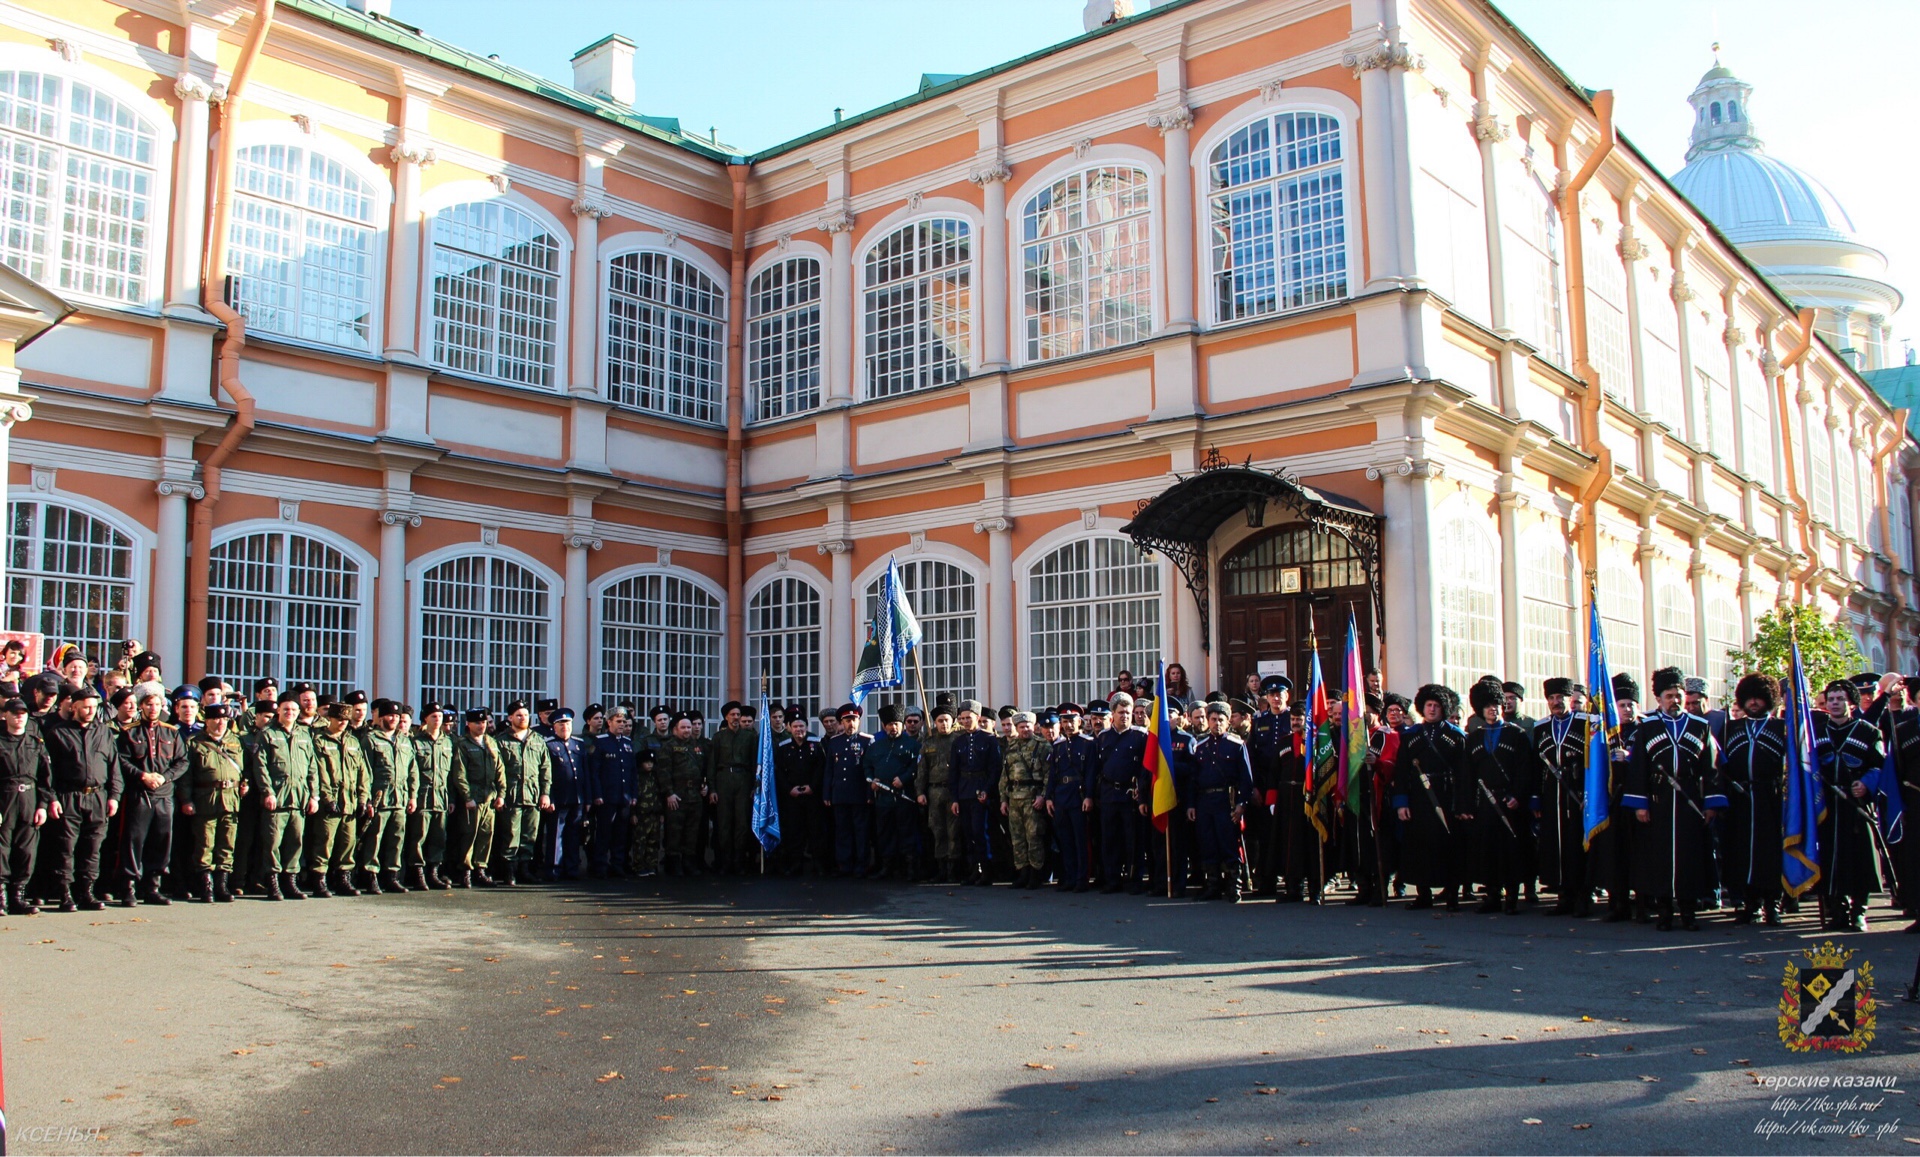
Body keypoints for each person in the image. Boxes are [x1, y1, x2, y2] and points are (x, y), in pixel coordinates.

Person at [1621, 667, 1724, 931]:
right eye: (1669, 696)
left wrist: (1711, 803)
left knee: (1689, 857)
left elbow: (1711, 768)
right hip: (1659, 802)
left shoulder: (1700, 727)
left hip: (1690, 802)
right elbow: (1638, 768)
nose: (1674, 700)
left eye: (1678, 695)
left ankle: (1689, 912)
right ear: (1659, 699)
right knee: (1660, 858)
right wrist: (1640, 804)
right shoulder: (1648, 727)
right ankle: (1665, 912)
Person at [1812, 678, 1886, 931]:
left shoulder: (1869, 732)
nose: (1834, 703)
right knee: (1832, 859)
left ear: (1851, 703)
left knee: (1860, 859)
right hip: (1827, 806)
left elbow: (1879, 765)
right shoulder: (1817, 732)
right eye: (1830, 699)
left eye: (1839, 699)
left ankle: (1859, 912)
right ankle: (1838, 911)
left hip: (1855, 805)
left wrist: (1866, 783)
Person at [42, 684, 122, 911]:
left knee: (92, 847)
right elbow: (48, 772)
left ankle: (86, 891)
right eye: (85, 707)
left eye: (94, 707)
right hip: (69, 796)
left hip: (97, 796)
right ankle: (65, 893)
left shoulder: (104, 732)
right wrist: (52, 798)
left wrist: (114, 795)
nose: (90, 711)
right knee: (66, 847)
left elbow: (114, 767)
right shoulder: (58, 733)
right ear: (74, 707)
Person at [1719, 674, 1786, 926]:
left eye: (1759, 697)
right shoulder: (1731, 729)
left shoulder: (1781, 728)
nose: (1754, 702)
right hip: (1740, 799)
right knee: (1741, 851)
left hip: (1770, 797)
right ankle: (1750, 904)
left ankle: (1772, 904)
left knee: (1769, 853)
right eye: (1749, 698)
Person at [1462, 679, 1533, 914]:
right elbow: (1468, 774)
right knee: (1488, 849)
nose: (1492, 710)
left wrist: (1518, 796)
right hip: (1485, 804)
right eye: (1487, 706)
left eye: (1496, 705)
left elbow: (1525, 769)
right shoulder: (1474, 738)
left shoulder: (1517, 735)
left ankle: (1512, 895)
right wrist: (1468, 804)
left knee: (1511, 849)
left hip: (1509, 802)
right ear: (1480, 709)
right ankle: (1492, 895)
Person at [1394, 684, 1464, 911]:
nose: (1432, 709)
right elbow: (1401, 772)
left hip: (1446, 795)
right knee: (1420, 846)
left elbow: (1465, 774)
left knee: (1449, 846)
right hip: (1419, 799)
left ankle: (1452, 894)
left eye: (1437, 706)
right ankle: (1423, 894)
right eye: (1429, 705)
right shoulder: (1410, 736)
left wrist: (1462, 804)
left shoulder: (1456, 736)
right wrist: (1401, 802)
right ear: (1422, 708)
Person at [116, 683, 185, 906]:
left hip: (164, 793)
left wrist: (165, 777)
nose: (153, 708)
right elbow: (121, 760)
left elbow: (182, 761)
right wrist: (142, 776)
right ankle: (129, 887)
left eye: (157, 704)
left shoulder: (171, 732)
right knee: (133, 840)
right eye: (148, 704)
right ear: (141, 706)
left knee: (162, 840)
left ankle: (153, 887)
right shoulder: (129, 731)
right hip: (139, 792)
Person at [1532, 678, 1594, 916]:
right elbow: (1536, 766)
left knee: (1578, 845)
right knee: (1556, 846)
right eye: (1551, 698)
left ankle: (1583, 895)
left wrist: (1590, 795)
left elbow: (1595, 765)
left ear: (1570, 699)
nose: (1556, 702)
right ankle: (1564, 895)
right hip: (1552, 795)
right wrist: (1536, 797)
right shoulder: (1541, 727)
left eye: (1560, 698)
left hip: (1577, 793)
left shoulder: (1587, 723)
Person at [1184, 700, 1254, 902]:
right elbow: (1192, 779)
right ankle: (1212, 885)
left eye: (1220, 719)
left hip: (1226, 801)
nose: (1216, 723)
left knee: (1228, 844)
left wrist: (1241, 804)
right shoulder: (1200, 746)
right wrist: (1190, 804)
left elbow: (1246, 779)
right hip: (1205, 801)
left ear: (1227, 721)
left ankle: (1234, 887)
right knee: (1208, 844)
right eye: (1213, 719)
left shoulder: (1236, 745)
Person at [249, 692, 316, 901]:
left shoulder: (304, 735)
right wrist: (267, 792)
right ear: (278, 710)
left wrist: (314, 795)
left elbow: (312, 767)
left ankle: (290, 882)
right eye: (286, 709)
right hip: (277, 798)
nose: (290, 713)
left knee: (295, 841)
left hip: (299, 798)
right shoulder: (267, 734)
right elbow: (260, 766)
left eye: (294, 710)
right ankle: (273, 883)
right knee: (273, 843)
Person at [181, 702, 244, 902]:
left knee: (227, 843)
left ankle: (222, 884)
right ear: (206, 720)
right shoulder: (195, 742)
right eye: (216, 719)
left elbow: (245, 769)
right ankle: (205, 886)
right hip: (205, 798)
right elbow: (186, 776)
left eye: (224, 719)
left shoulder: (235, 741)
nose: (220, 723)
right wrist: (186, 800)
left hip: (231, 799)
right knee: (205, 843)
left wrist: (245, 785)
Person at [306, 702, 369, 898]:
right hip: (330, 803)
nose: (342, 723)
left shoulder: (352, 742)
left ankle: (343, 879)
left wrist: (362, 799)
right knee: (324, 842)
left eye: (345, 720)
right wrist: (326, 798)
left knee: (348, 843)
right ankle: (319, 879)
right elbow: (318, 771)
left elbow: (362, 773)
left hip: (349, 802)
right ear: (330, 719)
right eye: (339, 719)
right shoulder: (319, 740)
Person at [0, 696, 52, 914]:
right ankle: (1, 896)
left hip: (29, 797)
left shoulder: (35, 742)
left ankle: (18, 895)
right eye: (15, 713)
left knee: (26, 849)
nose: (19, 717)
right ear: (5, 716)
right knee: (2, 848)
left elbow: (45, 778)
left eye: (23, 714)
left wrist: (42, 805)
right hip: (5, 797)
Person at [362, 700, 419, 893]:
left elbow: (413, 770)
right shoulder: (371, 739)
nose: (393, 719)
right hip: (380, 797)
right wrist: (367, 798)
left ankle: (391, 876)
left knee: (397, 838)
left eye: (396, 716)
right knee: (375, 838)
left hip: (400, 797)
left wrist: (412, 796)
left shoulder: (404, 740)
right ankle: (371, 875)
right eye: (390, 716)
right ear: (381, 717)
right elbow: (366, 771)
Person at [494, 702, 553, 887]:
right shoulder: (501, 740)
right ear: (510, 718)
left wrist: (545, 793)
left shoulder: (537, 740)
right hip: (512, 796)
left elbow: (545, 769)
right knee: (511, 834)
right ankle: (509, 871)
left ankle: (525, 870)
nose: (523, 718)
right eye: (518, 715)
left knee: (530, 836)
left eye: (526, 715)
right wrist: (501, 794)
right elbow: (498, 771)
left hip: (532, 795)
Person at [1095, 692, 1147, 894]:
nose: (1125, 716)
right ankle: (1112, 879)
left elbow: (1144, 769)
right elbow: (1098, 767)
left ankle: (1134, 879)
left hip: (1130, 793)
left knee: (1132, 839)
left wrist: (1140, 792)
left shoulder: (1139, 735)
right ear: (1113, 714)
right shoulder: (1103, 737)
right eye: (1121, 712)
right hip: (1109, 793)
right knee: (1110, 838)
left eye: (1128, 712)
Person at [1246, 675, 1291, 898]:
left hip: (1288, 784)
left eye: (1279, 694)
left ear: (1286, 696)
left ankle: (1292, 880)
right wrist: (1253, 786)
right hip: (1264, 786)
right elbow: (1251, 755)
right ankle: (1267, 881)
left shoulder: (1293, 719)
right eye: (1272, 695)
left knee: (1288, 834)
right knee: (1266, 836)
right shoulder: (1260, 721)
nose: (1275, 698)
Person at [865, 703, 920, 880]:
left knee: (906, 832)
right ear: (884, 726)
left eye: (896, 723)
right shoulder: (876, 746)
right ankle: (887, 867)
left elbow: (916, 766)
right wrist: (871, 780)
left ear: (902, 725)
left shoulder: (913, 745)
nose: (893, 727)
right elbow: (867, 766)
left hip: (904, 796)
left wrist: (903, 779)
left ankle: (910, 868)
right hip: (883, 797)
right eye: (889, 724)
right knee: (885, 832)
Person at [1043, 702, 1094, 893]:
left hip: (1078, 795)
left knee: (1080, 839)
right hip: (1061, 796)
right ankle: (1069, 877)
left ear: (1079, 722)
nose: (1069, 725)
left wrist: (1088, 796)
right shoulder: (1058, 746)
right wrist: (1049, 797)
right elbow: (1052, 774)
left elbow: (1090, 772)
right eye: (1065, 721)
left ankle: (1082, 878)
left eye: (1072, 721)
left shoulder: (1088, 743)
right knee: (1065, 840)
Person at [452, 708, 506, 887]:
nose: (481, 725)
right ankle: (466, 871)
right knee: (469, 834)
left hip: (488, 796)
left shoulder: (491, 742)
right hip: (473, 796)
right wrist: (467, 796)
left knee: (486, 834)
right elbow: (460, 773)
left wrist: (501, 794)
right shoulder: (463, 744)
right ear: (468, 724)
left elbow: (500, 770)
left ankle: (480, 869)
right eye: (477, 723)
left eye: (483, 722)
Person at [998, 710, 1051, 889]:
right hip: (1014, 798)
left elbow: (1048, 775)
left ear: (1033, 726)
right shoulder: (1011, 747)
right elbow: (1005, 776)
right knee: (1017, 838)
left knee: (1034, 837)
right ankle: (1023, 872)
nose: (1025, 729)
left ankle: (1036, 874)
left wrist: (1043, 796)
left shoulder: (1042, 746)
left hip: (1032, 798)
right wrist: (1003, 800)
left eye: (1028, 726)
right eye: (1021, 727)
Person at [950, 700, 1000, 885]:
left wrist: (987, 789)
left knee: (980, 832)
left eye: (968, 718)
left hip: (981, 789)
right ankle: (973, 870)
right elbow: (953, 771)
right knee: (968, 833)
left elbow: (995, 768)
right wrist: (954, 798)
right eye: (962, 718)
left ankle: (986, 871)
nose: (965, 721)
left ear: (977, 718)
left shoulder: (989, 739)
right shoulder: (958, 741)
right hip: (964, 791)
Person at [408, 704, 456, 890]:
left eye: (440, 716)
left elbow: (451, 774)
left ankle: (433, 872)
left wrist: (451, 798)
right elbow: (411, 771)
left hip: (441, 796)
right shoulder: (416, 741)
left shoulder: (448, 742)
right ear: (425, 719)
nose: (438, 720)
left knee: (438, 837)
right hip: (423, 796)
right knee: (418, 836)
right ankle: (418, 873)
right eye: (434, 716)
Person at [586, 707, 638, 878]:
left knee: (621, 834)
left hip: (624, 796)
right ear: (609, 723)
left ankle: (617, 864)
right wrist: (598, 794)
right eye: (618, 721)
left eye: (624, 721)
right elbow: (595, 771)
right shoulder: (601, 742)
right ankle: (600, 865)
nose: (622, 724)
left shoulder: (627, 743)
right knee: (604, 833)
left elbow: (632, 772)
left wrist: (633, 795)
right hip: (607, 796)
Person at [708, 701, 758, 874]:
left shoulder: (750, 737)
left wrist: (754, 786)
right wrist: (712, 789)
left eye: (738, 714)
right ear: (726, 717)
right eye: (733, 715)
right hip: (723, 780)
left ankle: (739, 861)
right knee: (724, 823)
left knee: (742, 822)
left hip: (743, 779)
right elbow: (712, 765)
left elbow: (754, 763)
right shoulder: (718, 738)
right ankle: (725, 861)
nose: (736, 718)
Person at [772, 707, 823, 877]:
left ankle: (818, 865)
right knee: (795, 832)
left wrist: (812, 787)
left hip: (811, 796)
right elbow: (779, 772)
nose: (799, 730)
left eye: (801, 726)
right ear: (789, 728)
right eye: (795, 727)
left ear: (806, 727)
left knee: (815, 831)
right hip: (792, 797)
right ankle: (796, 864)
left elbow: (820, 769)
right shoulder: (784, 747)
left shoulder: (816, 744)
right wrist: (789, 789)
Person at [824, 703, 872, 876]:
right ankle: (844, 864)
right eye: (847, 720)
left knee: (860, 831)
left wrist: (869, 794)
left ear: (859, 721)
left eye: (854, 720)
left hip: (859, 794)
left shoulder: (867, 741)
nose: (851, 724)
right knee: (842, 830)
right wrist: (827, 793)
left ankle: (861, 865)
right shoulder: (835, 742)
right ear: (841, 723)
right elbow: (829, 770)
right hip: (840, 793)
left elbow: (869, 770)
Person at [917, 696, 959, 883]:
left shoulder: (959, 740)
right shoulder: (929, 742)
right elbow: (922, 770)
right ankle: (941, 868)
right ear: (935, 722)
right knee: (937, 830)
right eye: (940, 721)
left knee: (954, 831)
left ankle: (954, 869)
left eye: (946, 720)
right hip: (934, 792)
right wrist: (920, 792)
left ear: (953, 721)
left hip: (953, 791)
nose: (943, 724)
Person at [543, 708, 587, 881]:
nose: (565, 727)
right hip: (559, 798)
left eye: (567, 723)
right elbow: (546, 774)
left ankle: (572, 868)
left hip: (577, 797)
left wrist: (587, 797)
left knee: (574, 834)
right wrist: (550, 797)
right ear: (554, 727)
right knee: (556, 835)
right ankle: (554, 869)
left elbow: (585, 773)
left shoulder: (579, 744)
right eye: (561, 724)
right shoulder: (549, 744)